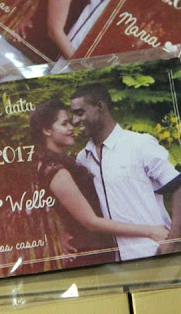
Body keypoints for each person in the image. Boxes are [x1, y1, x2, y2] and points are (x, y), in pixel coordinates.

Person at [30, 99, 169, 266]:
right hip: (90, 254)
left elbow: (68, 209)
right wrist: (151, 231)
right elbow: (91, 222)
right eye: (64, 124)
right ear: (46, 130)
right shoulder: (55, 170)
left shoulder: (61, 162)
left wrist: (64, 230)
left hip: (98, 248)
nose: (71, 127)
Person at [70, 84, 181, 261]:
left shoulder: (139, 144)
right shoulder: (82, 158)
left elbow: (178, 185)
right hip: (115, 261)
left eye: (80, 113)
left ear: (100, 107)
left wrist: (174, 239)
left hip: (154, 252)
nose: (74, 121)